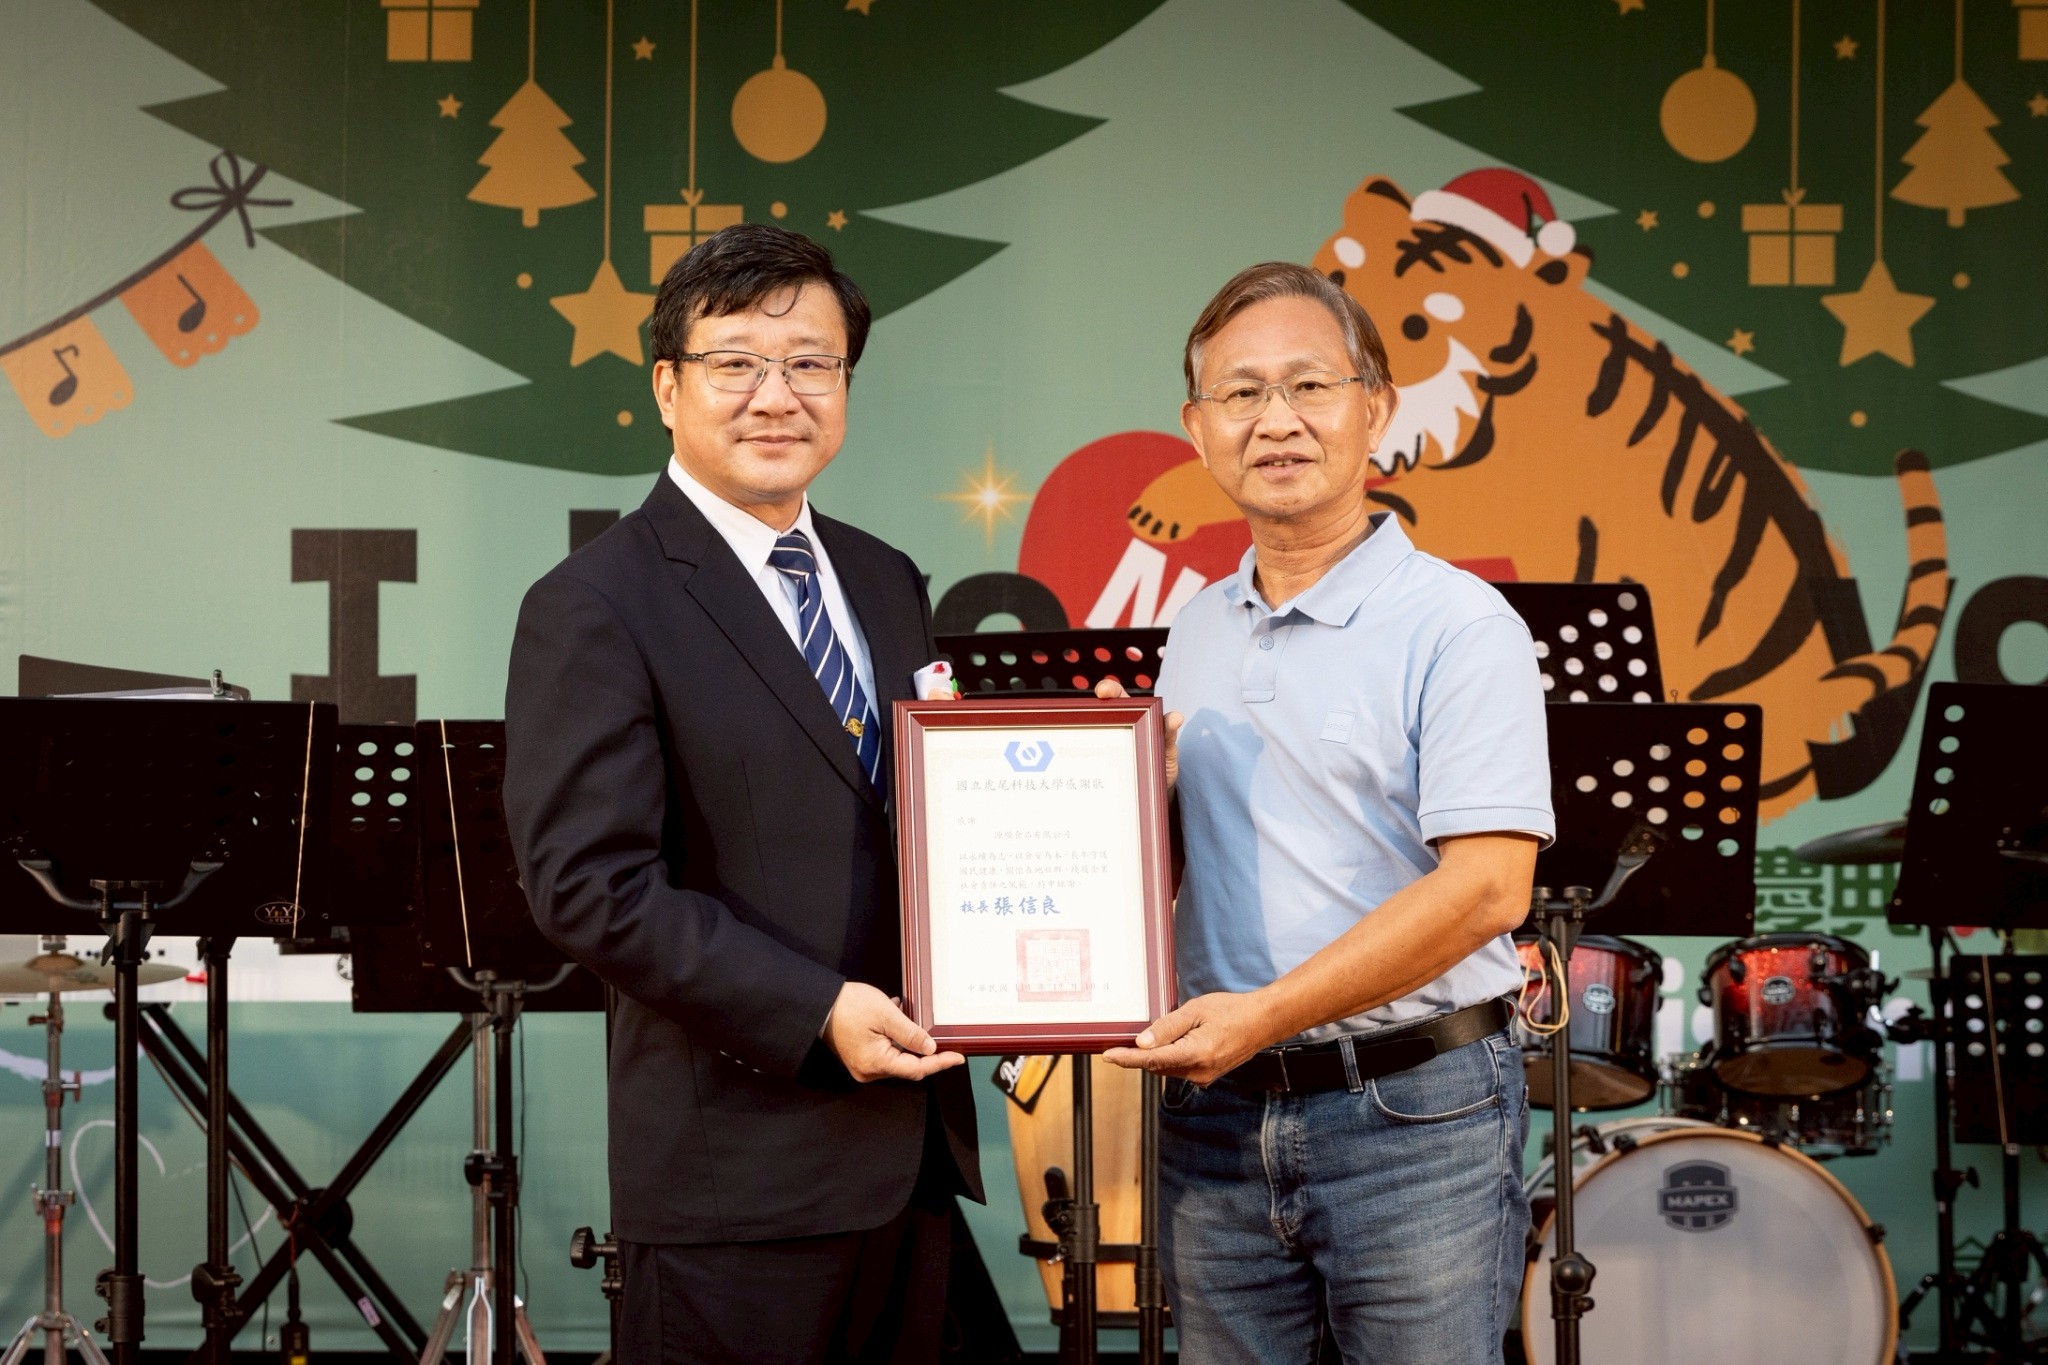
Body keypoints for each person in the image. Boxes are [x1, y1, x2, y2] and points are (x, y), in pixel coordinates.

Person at [503, 223, 979, 1365]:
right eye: (737, 364)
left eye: (811, 363)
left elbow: (921, 816)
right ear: (668, 388)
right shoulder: (595, 602)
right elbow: (589, 887)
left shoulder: (884, 576)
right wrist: (815, 1009)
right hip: (736, 1185)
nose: (778, 395)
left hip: (908, 1159)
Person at [1099, 261, 1553, 1363]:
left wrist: (1264, 1014)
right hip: (1214, 1120)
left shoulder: (1458, 624)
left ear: (1376, 409)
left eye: (1309, 385)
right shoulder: (1197, 628)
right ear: (1197, 429)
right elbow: (1185, 871)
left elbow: (1489, 890)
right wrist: (1119, 798)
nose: (1277, 421)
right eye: (1240, 394)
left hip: (1415, 1114)